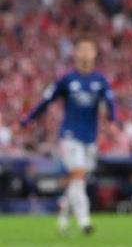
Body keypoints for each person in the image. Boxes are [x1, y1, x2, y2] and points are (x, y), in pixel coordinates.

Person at [20, 35, 117, 234]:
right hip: (70, 135)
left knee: (78, 180)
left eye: (89, 49)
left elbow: (110, 103)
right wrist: (28, 119)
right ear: (76, 53)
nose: (85, 53)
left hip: (90, 137)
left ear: (95, 53)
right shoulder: (67, 79)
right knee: (78, 175)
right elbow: (47, 99)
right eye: (81, 49)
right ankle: (84, 221)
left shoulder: (100, 80)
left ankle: (64, 217)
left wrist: (113, 119)